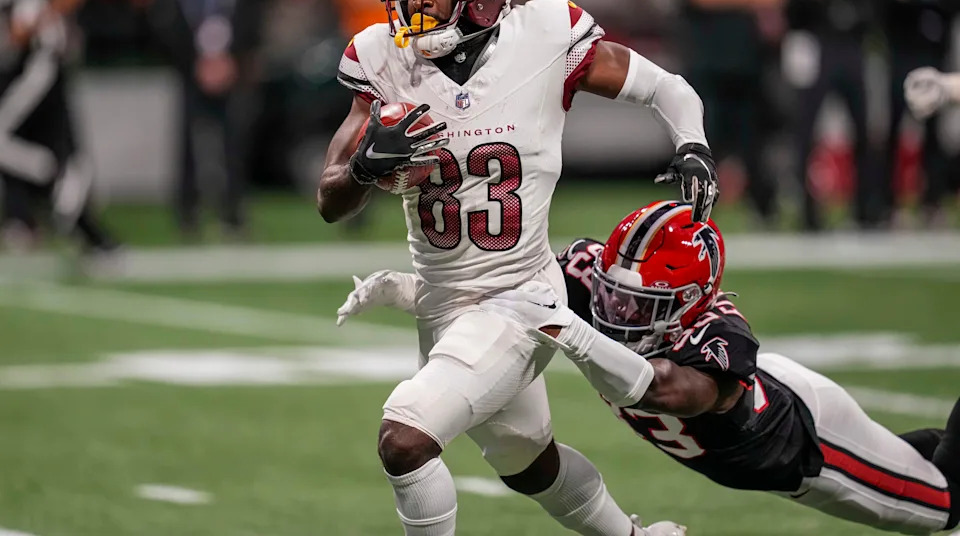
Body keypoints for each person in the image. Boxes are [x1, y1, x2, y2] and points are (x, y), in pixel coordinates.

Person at [317, 0, 717, 536]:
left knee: (404, 440)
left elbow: (665, 87)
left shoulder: (545, 38)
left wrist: (691, 143)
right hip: (445, 304)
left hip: (521, 298)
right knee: (528, 463)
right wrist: (365, 168)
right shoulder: (381, 57)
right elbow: (329, 200)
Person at [340, 200, 960, 535]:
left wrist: (574, 331)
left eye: (641, 303)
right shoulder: (590, 277)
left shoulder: (720, 336)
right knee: (928, 467)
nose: (617, 308)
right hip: (751, 456)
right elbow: (500, 301)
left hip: (808, 449)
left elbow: (663, 391)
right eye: (612, 290)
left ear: (689, 303)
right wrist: (402, 288)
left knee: (943, 508)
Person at [0, 0, 116, 254]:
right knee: (28, 143)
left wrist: (38, 20)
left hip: (38, 63)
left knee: (16, 140)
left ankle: (60, 187)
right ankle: (36, 211)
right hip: (11, 65)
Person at [149, 0, 261, 240]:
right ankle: (188, 213)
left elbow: (249, 21)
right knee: (188, 145)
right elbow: (161, 24)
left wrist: (232, 59)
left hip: (229, 70)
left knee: (232, 144)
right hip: (191, 71)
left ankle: (233, 213)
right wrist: (194, 61)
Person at [680, 0, 785, 224]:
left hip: (748, 70)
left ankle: (765, 209)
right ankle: (691, 216)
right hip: (707, 73)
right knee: (700, 151)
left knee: (757, 151)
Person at [782, 0, 877, 231]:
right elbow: (789, 0)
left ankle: (867, 208)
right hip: (814, 45)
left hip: (849, 46)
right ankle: (809, 212)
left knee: (862, 129)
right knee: (806, 132)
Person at [877, 0, 960, 227]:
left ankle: (932, 200)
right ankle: (888, 203)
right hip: (903, 55)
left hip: (935, 54)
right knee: (897, 127)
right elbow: (892, 3)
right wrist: (922, 1)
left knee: (935, 135)